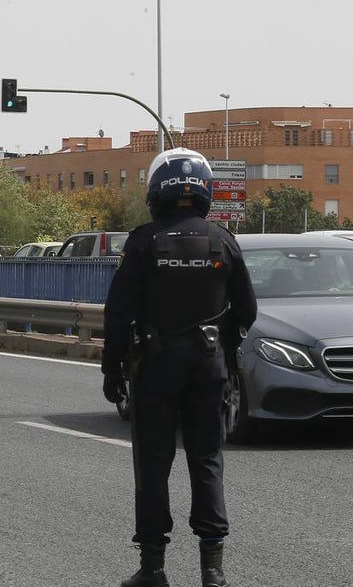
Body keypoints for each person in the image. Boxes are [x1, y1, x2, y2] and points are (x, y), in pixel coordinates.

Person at [101, 148, 258, 587]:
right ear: (205, 190)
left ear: (156, 190)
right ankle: (213, 571)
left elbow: (118, 312)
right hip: (208, 365)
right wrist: (220, 342)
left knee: (154, 464)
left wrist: (111, 370)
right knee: (206, 460)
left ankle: (153, 570)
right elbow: (247, 309)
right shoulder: (223, 240)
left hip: (154, 367)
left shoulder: (143, 241)